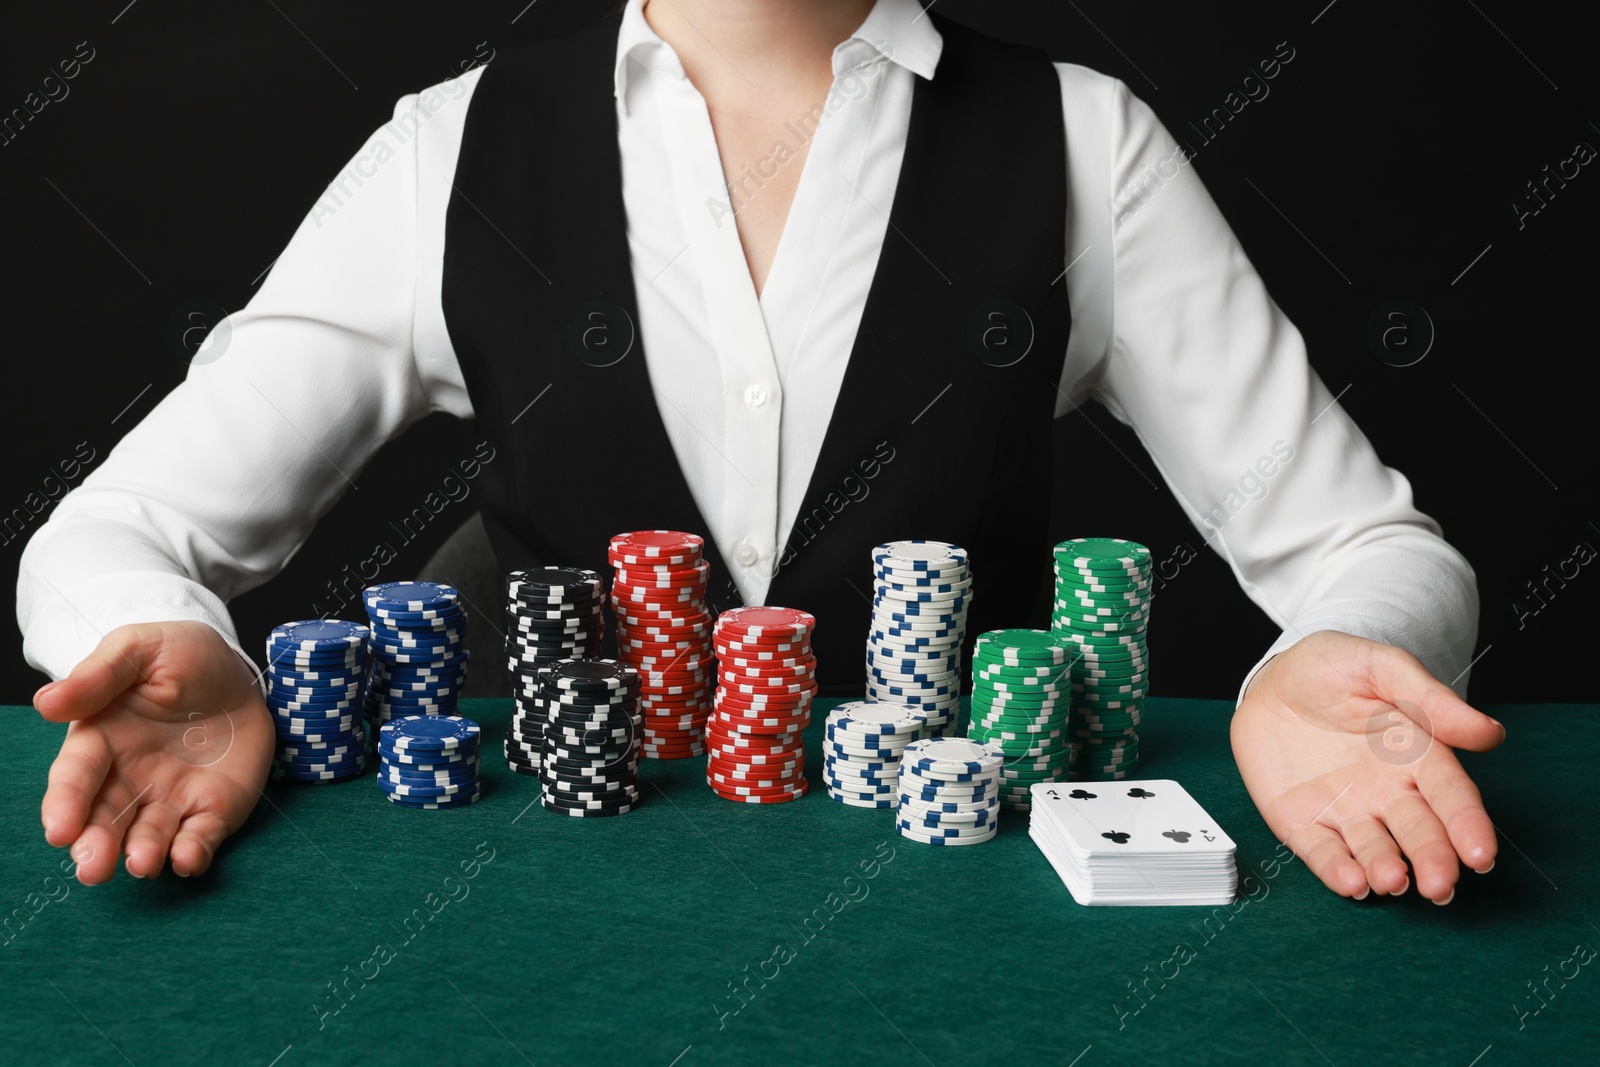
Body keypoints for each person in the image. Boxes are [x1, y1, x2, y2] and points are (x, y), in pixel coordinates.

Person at [16, 0, 1503, 897]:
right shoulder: (448, 153)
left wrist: (1326, 657)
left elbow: (1372, 551)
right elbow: (109, 532)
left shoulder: (1081, 143)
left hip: (956, 920)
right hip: (541, 927)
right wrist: (151, 631)